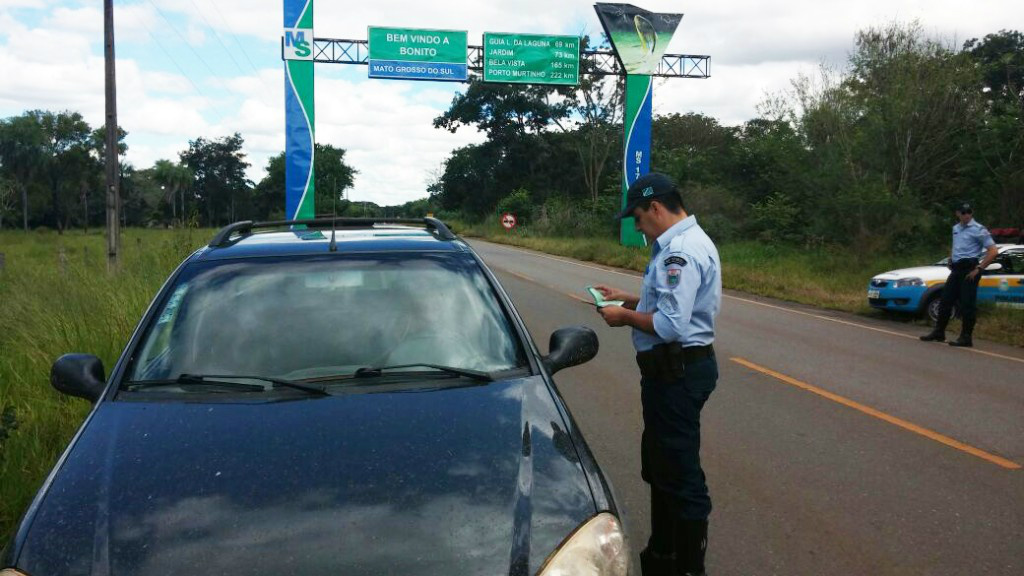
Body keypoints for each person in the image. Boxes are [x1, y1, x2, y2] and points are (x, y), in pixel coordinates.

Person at [594, 172, 721, 576]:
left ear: (656, 207)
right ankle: (663, 552)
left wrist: (623, 317)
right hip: (676, 371)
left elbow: (670, 325)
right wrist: (627, 297)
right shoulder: (688, 242)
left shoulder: (676, 252)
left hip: (676, 373)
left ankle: (685, 566)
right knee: (662, 465)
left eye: (637, 217)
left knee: (679, 473)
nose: (636, 226)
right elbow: (671, 302)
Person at [920, 202, 998, 347]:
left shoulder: (979, 229)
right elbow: (957, 246)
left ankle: (966, 337)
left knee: (967, 304)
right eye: (963, 212)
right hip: (956, 269)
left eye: (969, 212)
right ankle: (939, 332)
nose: (966, 215)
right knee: (945, 301)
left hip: (970, 270)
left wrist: (979, 268)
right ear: (957, 213)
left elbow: (993, 251)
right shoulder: (956, 229)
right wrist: (951, 258)